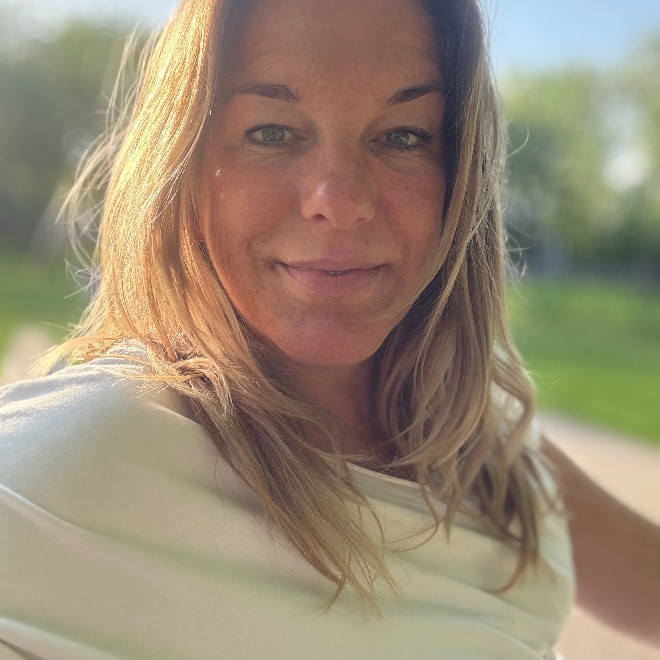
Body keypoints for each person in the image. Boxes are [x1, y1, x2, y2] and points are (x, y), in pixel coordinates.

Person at [0, 0, 657, 657]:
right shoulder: (85, 458)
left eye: (403, 137)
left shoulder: (480, 441)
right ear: (185, 166)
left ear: (461, 179)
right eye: (272, 132)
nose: (340, 202)